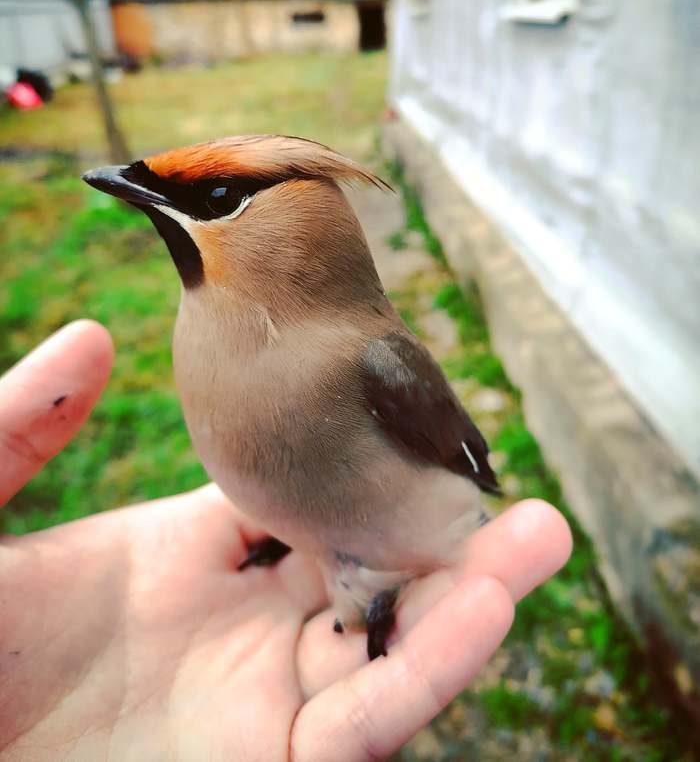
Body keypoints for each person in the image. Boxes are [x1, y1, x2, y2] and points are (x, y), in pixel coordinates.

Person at [0, 320, 571, 761]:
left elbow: (456, 458)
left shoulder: (374, 362)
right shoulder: (204, 345)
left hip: (412, 521)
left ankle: (382, 582)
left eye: (223, 198)